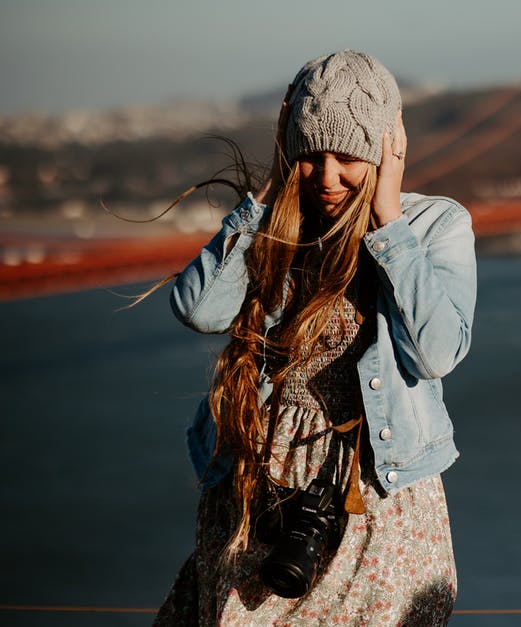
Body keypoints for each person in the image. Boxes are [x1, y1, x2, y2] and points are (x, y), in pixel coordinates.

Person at [154, 50, 476, 626]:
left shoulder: (434, 228)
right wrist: (272, 191)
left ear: (385, 151)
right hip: (259, 490)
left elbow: (435, 353)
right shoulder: (278, 226)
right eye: (310, 155)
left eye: (349, 156)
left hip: (372, 501)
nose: (327, 177)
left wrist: (388, 219)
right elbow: (198, 309)